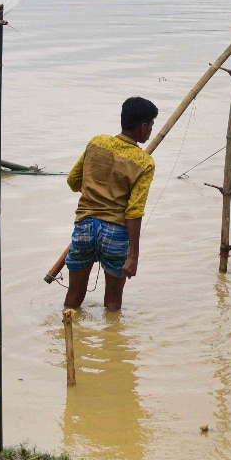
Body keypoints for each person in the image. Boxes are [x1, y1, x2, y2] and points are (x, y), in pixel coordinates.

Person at [63, 96, 158, 312]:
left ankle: (67, 335)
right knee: (113, 303)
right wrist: (133, 256)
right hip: (115, 233)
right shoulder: (144, 162)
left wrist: (96, 192)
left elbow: (73, 181)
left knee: (73, 296)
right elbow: (133, 211)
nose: (151, 130)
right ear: (143, 127)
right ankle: (112, 342)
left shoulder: (97, 143)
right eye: (151, 125)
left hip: (84, 227)